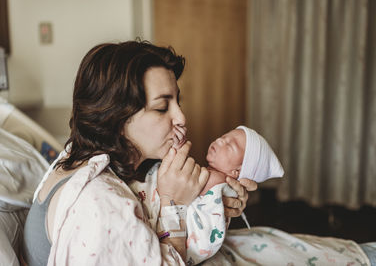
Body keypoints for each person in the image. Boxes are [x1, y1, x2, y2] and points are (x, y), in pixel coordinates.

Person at [22, 40, 256, 265]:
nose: (181, 117)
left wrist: (215, 198)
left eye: (177, 101)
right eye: (162, 107)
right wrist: (173, 204)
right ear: (116, 118)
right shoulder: (101, 206)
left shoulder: (89, 157)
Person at [130, 125, 285, 265]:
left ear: (236, 172)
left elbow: (183, 180)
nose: (220, 140)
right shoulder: (215, 176)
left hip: (187, 243)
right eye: (224, 137)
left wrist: (177, 149)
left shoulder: (218, 179)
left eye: (230, 145)